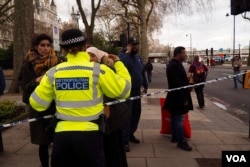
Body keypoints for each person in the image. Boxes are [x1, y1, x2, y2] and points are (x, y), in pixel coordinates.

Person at [29, 29, 131, 167]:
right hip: (90, 136)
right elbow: (124, 90)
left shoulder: (53, 73)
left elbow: (37, 103)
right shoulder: (98, 70)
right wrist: (118, 63)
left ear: (64, 49)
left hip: (62, 137)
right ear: (84, 47)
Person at [20, 33, 61, 167]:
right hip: (38, 109)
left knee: (58, 141)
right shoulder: (28, 65)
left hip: (56, 106)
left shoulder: (58, 62)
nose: (46, 48)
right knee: (42, 143)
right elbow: (25, 88)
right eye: (42, 45)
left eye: (48, 45)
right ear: (36, 47)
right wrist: (36, 81)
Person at [86, 46, 129, 167]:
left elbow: (116, 91)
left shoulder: (108, 69)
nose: (90, 58)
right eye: (87, 55)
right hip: (97, 118)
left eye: (92, 55)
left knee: (112, 148)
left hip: (112, 117)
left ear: (99, 57)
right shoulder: (87, 71)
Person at [119, 37, 148, 152]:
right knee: (127, 115)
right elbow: (125, 65)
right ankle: (124, 140)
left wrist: (145, 85)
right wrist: (127, 52)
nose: (135, 46)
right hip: (127, 91)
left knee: (136, 113)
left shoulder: (138, 57)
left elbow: (142, 71)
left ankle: (130, 134)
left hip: (137, 90)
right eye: (132, 44)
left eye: (136, 44)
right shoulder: (122, 56)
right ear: (127, 45)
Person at [163, 46, 193, 151]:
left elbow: (178, 81)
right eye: (184, 53)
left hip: (174, 97)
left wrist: (186, 80)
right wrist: (184, 99)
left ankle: (175, 137)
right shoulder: (174, 66)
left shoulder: (174, 65)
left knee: (174, 118)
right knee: (179, 120)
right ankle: (181, 142)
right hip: (178, 98)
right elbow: (176, 84)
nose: (185, 55)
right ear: (178, 54)